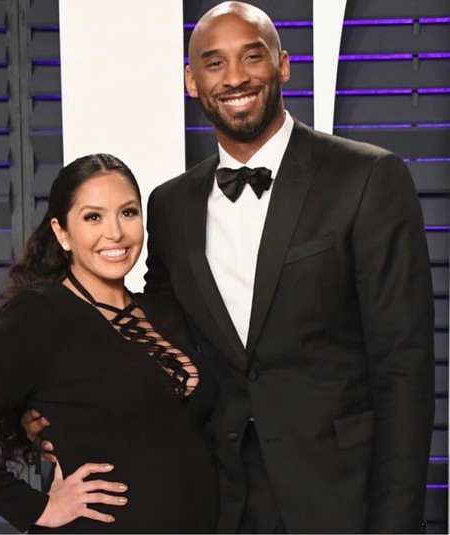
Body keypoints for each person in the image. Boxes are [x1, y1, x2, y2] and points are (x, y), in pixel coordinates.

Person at [24, 2, 435, 533]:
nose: (235, 77)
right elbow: (154, 340)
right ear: (191, 81)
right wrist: (57, 401)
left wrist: (397, 522)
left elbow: (404, 367)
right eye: (214, 63)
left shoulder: (367, 177)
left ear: (283, 65)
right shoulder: (171, 205)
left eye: (252, 56)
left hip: (340, 496)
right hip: (216, 498)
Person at [0, 154, 219, 533]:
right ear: (62, 232)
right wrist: (38, 508)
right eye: (93, 217)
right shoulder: (41, 316)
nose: (115, 233)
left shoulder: (163, 309)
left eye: (127, 213)